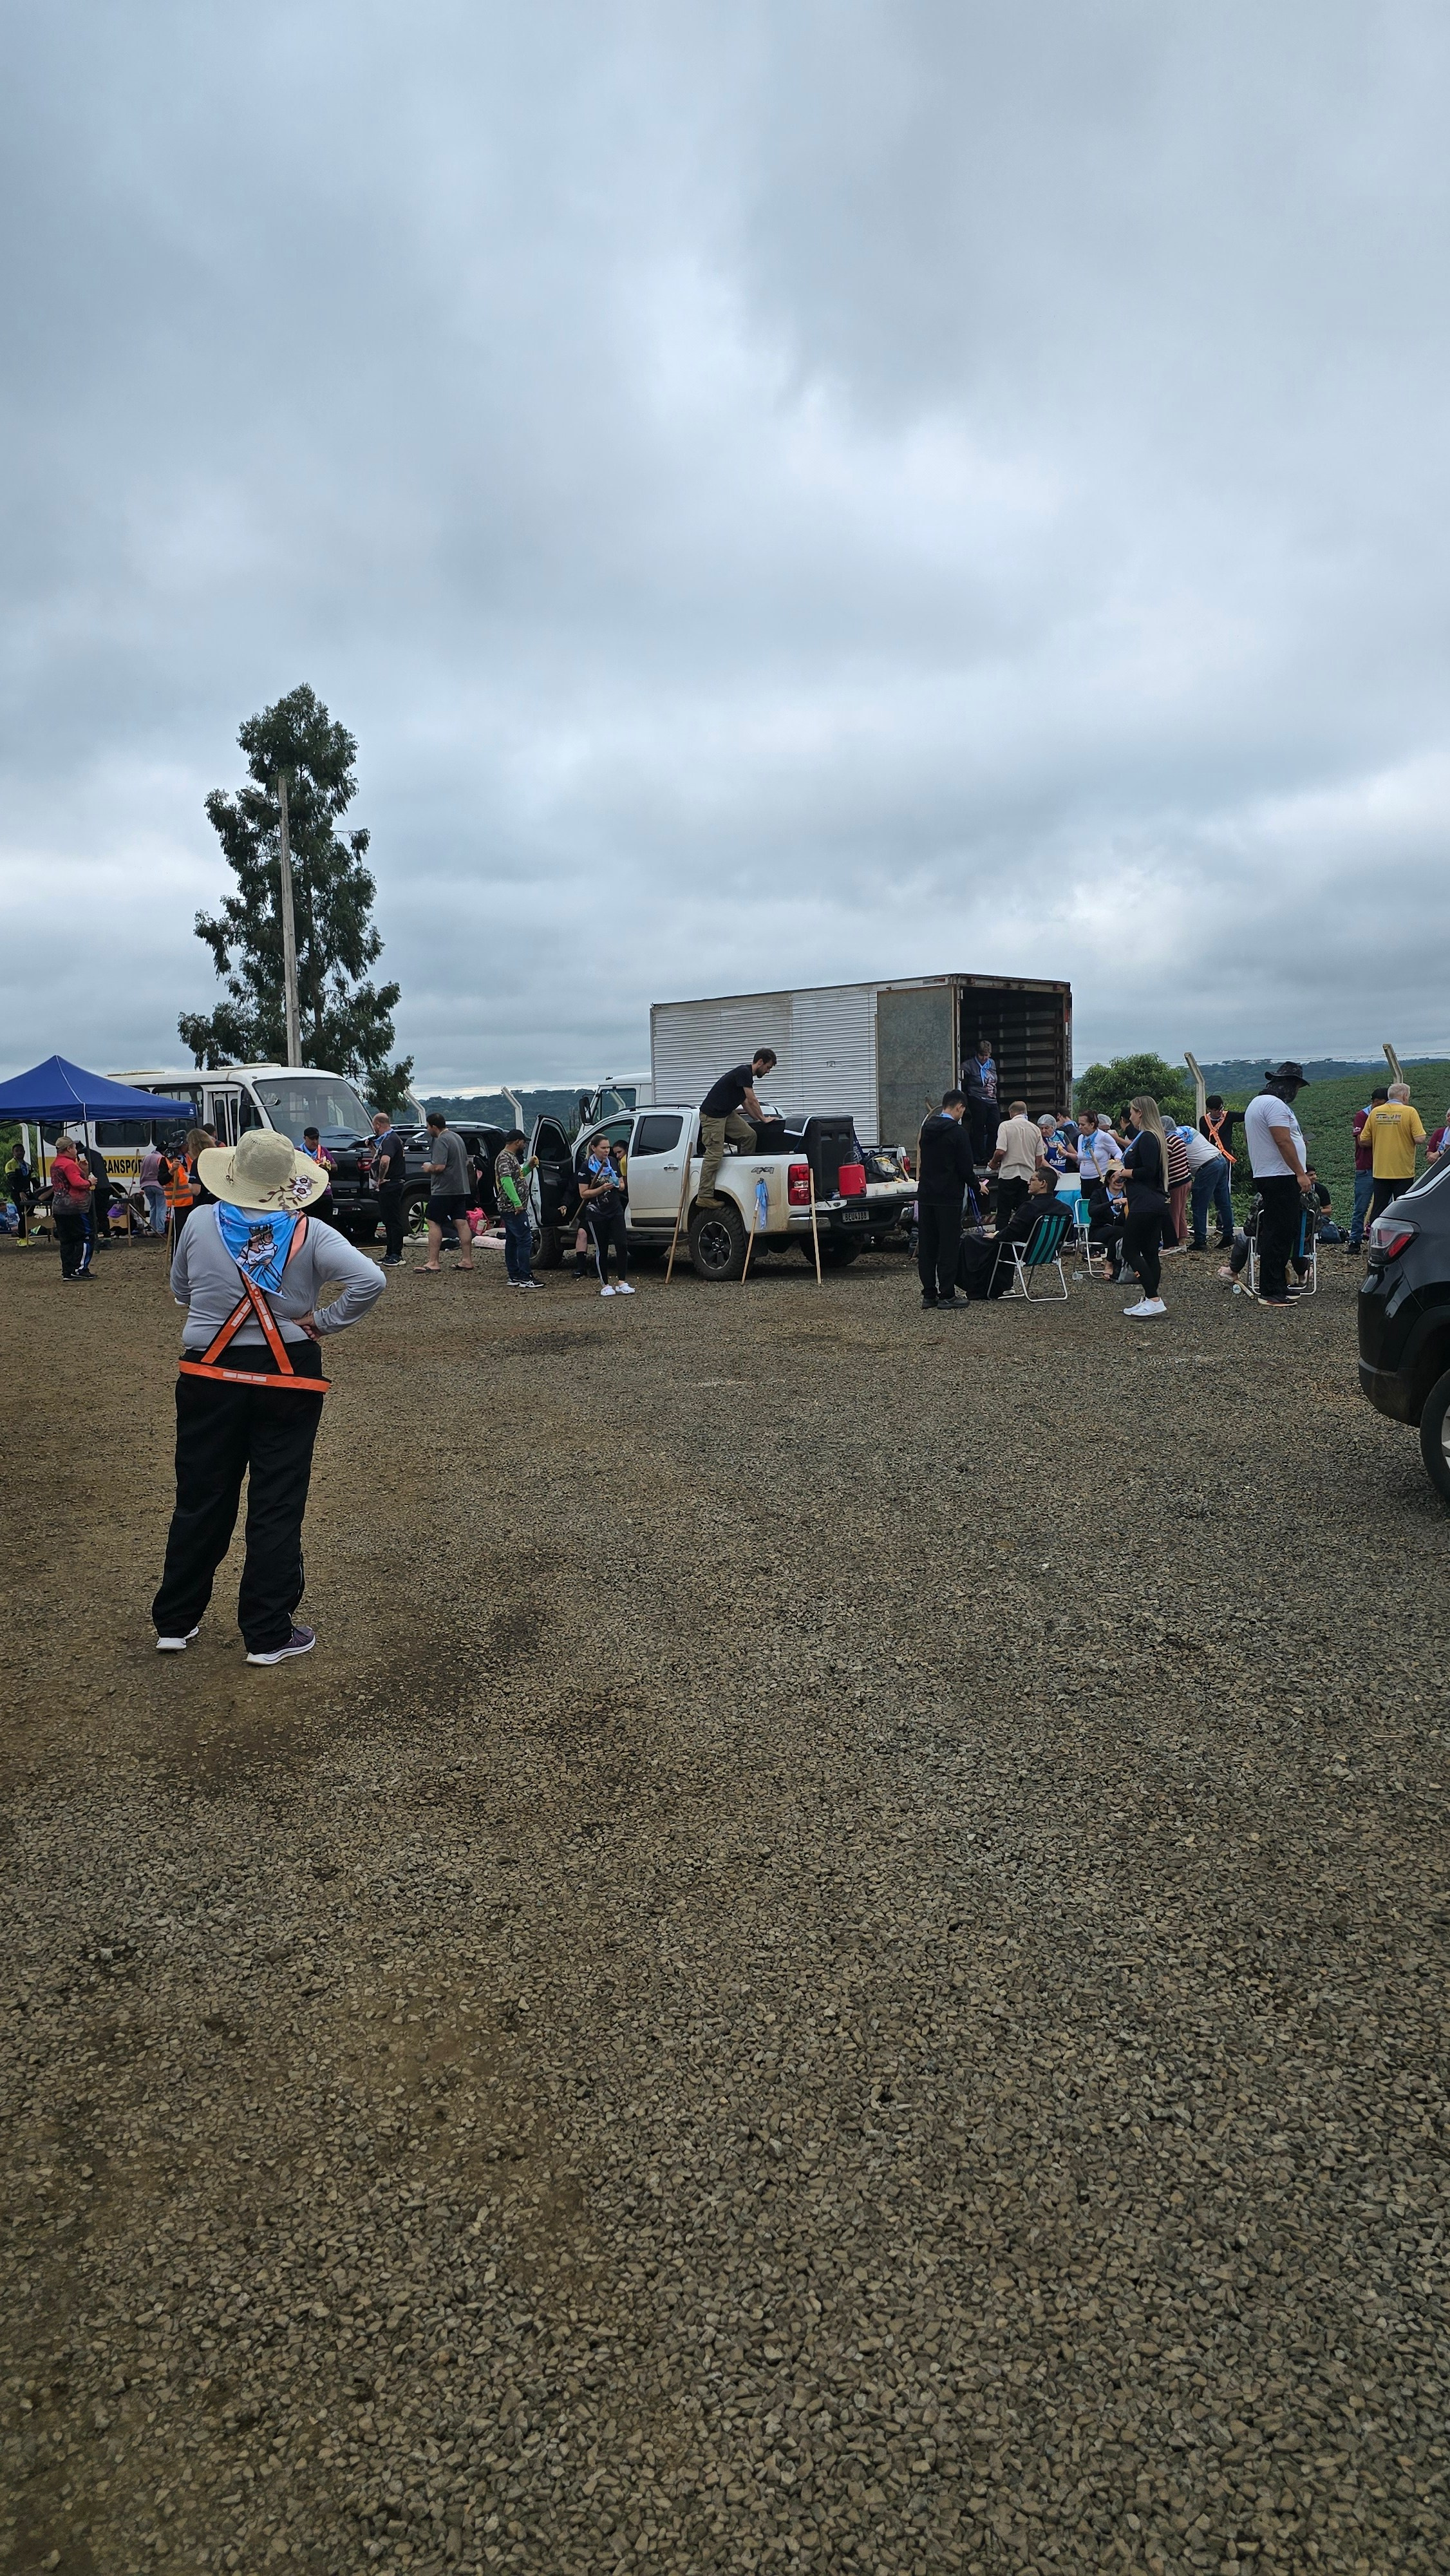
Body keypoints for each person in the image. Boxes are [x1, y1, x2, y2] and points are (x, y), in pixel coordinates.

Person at [150, 1128, 385, 1665]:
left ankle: (175, 1621)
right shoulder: (312, 1232)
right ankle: (267, 1632)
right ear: (289, 1183)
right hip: (286, 1375)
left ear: (233, 1176)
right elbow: (371, 1280)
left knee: (201, 1494)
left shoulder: (200, 1221)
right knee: (277, 1500)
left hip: (209, 1372)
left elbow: (181, 1291)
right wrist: (323, 1322)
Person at [1241, 1063, 1314, 1307]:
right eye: (1296, 1087)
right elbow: (1282, 1141)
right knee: (1279, 1233)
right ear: (1288, 1085)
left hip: (1271, 1174)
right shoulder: (1275, 1105)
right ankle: (1271, 1290)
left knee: (1283, 1230)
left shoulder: (1258, 1103)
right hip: (1281, 1176)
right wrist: (1300, 1173)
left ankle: (1278, 1285)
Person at [1109, 1096, 1173, 1319]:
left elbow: (1148, 1170)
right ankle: (1149, 1299)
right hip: (1152, 1202)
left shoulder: (1147, 1137)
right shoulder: (1153, 1137)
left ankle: (1154, 1298)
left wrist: (1123, 1173)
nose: (1130, 1116)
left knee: (1129, 1250)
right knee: (1149, 1252)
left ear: (1141, 1113)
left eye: (1132, 1112)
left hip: (1144, 1203)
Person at [955, 1164, 1057, 1298]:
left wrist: (996, 1235)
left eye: (1032, 1180)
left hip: (1021, 1251)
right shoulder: (1064, 1210)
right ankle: (1004, 1285)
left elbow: (1011, 1233)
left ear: (1043, 1183)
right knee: (986, 1242)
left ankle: (980, 1288)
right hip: (1044, 1252)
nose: (1028, 1183)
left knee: (971, 1241)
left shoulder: (1030, 1208)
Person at [915, 1090, 976, 1308]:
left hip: (926, 1194)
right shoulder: (958, 1134)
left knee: (928, 1246)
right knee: (948, 1247)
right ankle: (947, 1294)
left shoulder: (927, 1129)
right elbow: (965, 1167)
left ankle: (929, 1294)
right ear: (959, 1107)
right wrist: (977, 1185)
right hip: (948, 1196)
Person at [697, 1051, 777, 1206]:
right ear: (760, 1062)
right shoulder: (744, 1072)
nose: (768, 1071)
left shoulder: (744, 1077)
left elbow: (746, 1103)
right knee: (715, 1154)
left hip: (726, 1113)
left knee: (749, 1135)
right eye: (768, 1067)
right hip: (712, 1116)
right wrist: (763, 1118)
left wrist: (757, 1119)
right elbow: (752, 1100)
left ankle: (744, 1173)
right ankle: (704, 1196)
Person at [415, 1113, 475, 1273]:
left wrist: (428, 1167)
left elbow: (440, 1166)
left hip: (444, 1189)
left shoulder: (442, 1140)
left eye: (428, 1127)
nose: (428, 1130)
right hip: (461, 1188)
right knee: (461, 1222)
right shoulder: (457, 1138)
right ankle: (467, 1260)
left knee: (432, 1221)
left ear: (434, 1127)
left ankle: (433, 1262)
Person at [578, 1132, 634, 1296]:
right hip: (597, 1212)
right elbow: (583, 1193)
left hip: (615, 1209)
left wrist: (617, 1184)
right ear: (594, 1148)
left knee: (622, 1244)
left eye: (608, 1147)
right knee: (602, 1247)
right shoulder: (586, 1166)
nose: (607, 1151)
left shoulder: (613, 1162)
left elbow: (622, 1185)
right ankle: (605, 1284)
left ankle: (622, 1282)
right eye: (603, 1148)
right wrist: (601, 1189)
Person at [1361, 1081, 1426, 1221]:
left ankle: (1376, 1232)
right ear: (1404, 1096)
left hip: (1381, 1170)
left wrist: (1381, 1138)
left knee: (1379, 1207)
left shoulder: (1375, 1112)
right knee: (1402, 1208)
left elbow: (1364, 1140)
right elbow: (1420, 1139)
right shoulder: (1410, 1112)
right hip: (1403, 1170)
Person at [988, 1099, 1044, 1238]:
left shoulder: (1005, 1126)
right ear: (1025, 1112)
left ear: (1011, 1113)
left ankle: (1001, 1242)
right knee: (1023, 1212)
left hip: (1008, 1174)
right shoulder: (1035, 1129)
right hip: (1027, 1177)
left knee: (1003, 1213)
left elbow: (1000, 1151)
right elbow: (1039, 1159)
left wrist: (993, 1163)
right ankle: (1022, 1242)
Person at [493, 1130, 540, 1289]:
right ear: (518, 1142)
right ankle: (526, 1276)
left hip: (512, 1207)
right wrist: (517, 1203)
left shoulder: (510, 1158)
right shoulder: (504, 1158)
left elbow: (517, 1176)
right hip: (512, 1208)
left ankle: (514, 1276)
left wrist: (529, 1167)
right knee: (525, 1240)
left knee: (513, 1240)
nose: (524, 1145)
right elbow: (506, 1181)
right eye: (523, 1142)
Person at [1183, 1119, 1234, 1253]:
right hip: (1220, 1159)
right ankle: (1228, 1235)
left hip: (1206, 1167)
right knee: (1223, 1202)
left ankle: (1200, 1240)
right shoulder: (1187, 1129)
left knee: (1199, 1204)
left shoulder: (1170, 1139)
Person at [49, 1134, 95, 1280]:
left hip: (59, 1207)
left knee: (66, 1241)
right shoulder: (69, 1165)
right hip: (75, 1208)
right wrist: (90, 1181)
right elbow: (77, 1183)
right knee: (86, 1236)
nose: (76, 1150)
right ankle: (80, 1268)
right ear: (69, 1149)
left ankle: (67, 1271)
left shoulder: (55, 1164)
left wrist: (81, 1170)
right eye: (75, 1147)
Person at [369, 1110, 410, 1265]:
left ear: (378, 1125)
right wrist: (372, 1148)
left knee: (393, 1220)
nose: (374, 1128)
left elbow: (385, 1161)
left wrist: (380, 1178)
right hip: (389, 1185)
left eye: (374, 1125)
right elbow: (379, 1158)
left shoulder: (390, 1140)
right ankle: (389, 1252)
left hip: (391, 1184)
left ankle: (397, 1254)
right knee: (387, 1219)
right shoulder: (387, 1140)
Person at [1346, 1090, 1384, 1252]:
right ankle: (1355, 1240)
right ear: (1375, 1102)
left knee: (1385, 1207)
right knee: (1361, 1207)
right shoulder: (1362, 1116)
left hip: (1383, 1167)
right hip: (1366, 1167)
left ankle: (1380, 1241)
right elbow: (1362, 1141)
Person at [962, 1037, 1001, 1166]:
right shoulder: (969, 1065)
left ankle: (991, 1155)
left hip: (992, 1099)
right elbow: (959, 1074)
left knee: (994, 1126)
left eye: (986, 1055)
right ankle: (979, 1156)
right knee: (978, 1128)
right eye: (981, 1055)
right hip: (977, 1098)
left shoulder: (992, 1063)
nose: (984, 1058)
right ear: (977, 1054)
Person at [301, 1127, 336, 1226]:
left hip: (324, 1193)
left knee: (326, 1223)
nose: (315, 1142)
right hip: (307, 1194)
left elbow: (335, 1167)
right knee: (307, 1223)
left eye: (317, 1138)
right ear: (305, 1138)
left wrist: (328, 1165)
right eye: (312, 1139)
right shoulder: (299, 1152)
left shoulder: (323, 1150)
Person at [6, 1139, 34, 1244]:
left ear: (24, 1152)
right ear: (13, 1153)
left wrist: (39, 1188)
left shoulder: (28, 1165)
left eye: (21, 1151)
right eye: (17, 1151)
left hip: (28, 1192)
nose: (20, 1153)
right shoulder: (10, 1165)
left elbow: (33, 1178)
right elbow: (13, 1181)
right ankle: (22, 1238)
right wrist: (20, 1192)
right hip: (17, 1193)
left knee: (29, 1214)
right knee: (23, 1214)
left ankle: (27, 1235)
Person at [138, 1137, 168, 1237]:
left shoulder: (146, 1157)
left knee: (153, 1207)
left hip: (146, 1186)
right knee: (161, 1208)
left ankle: (153, 1228)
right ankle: (160, 1230)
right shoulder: (161, 1159)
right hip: (159, 1186)